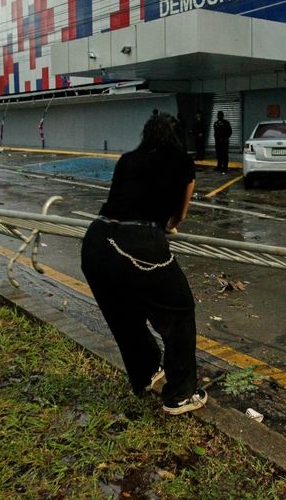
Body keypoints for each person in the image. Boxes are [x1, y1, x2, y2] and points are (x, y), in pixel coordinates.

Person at [81, 113, 206, 415]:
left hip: (96, 240)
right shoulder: (180, 161)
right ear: (178, 137)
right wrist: (169, 225)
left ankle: (148, 374)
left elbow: (120, 200)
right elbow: (180, 215)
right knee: (178, 313)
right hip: (136, 243)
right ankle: (180, 394)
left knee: (124, 316)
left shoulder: (128, 159)